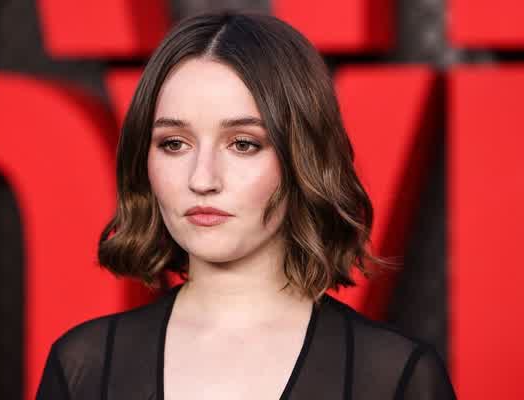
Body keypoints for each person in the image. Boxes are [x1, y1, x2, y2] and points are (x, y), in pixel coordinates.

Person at [35, 10, 457, 400]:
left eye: (243, 144)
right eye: (174, 144)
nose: (202, 179)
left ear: (302, 158)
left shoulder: (395, 376)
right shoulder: (84, 366)